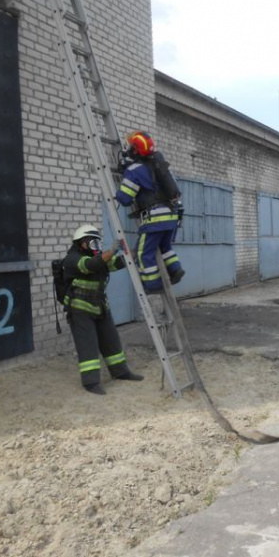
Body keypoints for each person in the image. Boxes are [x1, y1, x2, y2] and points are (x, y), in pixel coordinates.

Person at [62, 224, 144, 394]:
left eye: (97, 241)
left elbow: (118, 263)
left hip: (100, 306)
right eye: (91, 241)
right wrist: (111, 250)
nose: (95, 245)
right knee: (88, 345)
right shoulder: (72, 258)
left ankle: (121, 372)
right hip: (80, 310)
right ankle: (91, 383)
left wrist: (138, 249)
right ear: (80, 242)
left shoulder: (99, 256)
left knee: (111, 341)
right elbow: (90, 266)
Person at [115, 130, 185, 292]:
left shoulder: (134, 170)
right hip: (171, 215)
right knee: (165, 247)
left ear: (134, 150)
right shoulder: (159, 165)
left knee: (142, 254)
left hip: (155, 219)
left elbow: (125, 199)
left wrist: (121, 185)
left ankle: (152, 285)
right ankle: (175, 269)